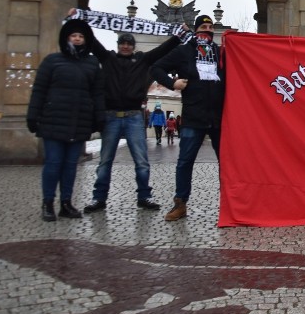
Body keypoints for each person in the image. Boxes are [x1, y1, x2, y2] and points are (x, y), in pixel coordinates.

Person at [82, 29, 185, 214]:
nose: (126, 46)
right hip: (111, 115)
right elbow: (92, 42)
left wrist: (178, 36)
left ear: (133, 46)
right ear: (118, 44)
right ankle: (99, 198)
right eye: (123, 42)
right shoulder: (107, 58)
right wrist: (80, 22)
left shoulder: (143, 60)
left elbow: (161, 50)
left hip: (134, 115)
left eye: (129, 43)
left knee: (142, 160)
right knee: (105, 160)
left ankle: (144, 196)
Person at [27, 19, 105, 221]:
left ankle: (66, 203)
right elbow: (39, 90)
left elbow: (97, 93)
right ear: (66, 38)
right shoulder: (52, 61)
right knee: (53, 163)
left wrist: (99, 117)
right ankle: (48, 203)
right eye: (73, 36)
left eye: (81, 36)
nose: (77, 39)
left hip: (79, 121)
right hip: (53, 120)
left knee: (71, 165)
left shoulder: (91, 63)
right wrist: (33, 115)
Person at [151, 14, 225, 221]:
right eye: (203, 26)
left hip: (218, 117)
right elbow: (155, 67)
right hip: (193, 116)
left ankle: (229, 204)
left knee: (225, 164)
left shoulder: (221, 53)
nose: (207, 30)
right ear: (196, 30)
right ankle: (180, 203)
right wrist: (172, 83)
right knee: (185, 162)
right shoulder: (184, 51)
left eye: (210, 27)